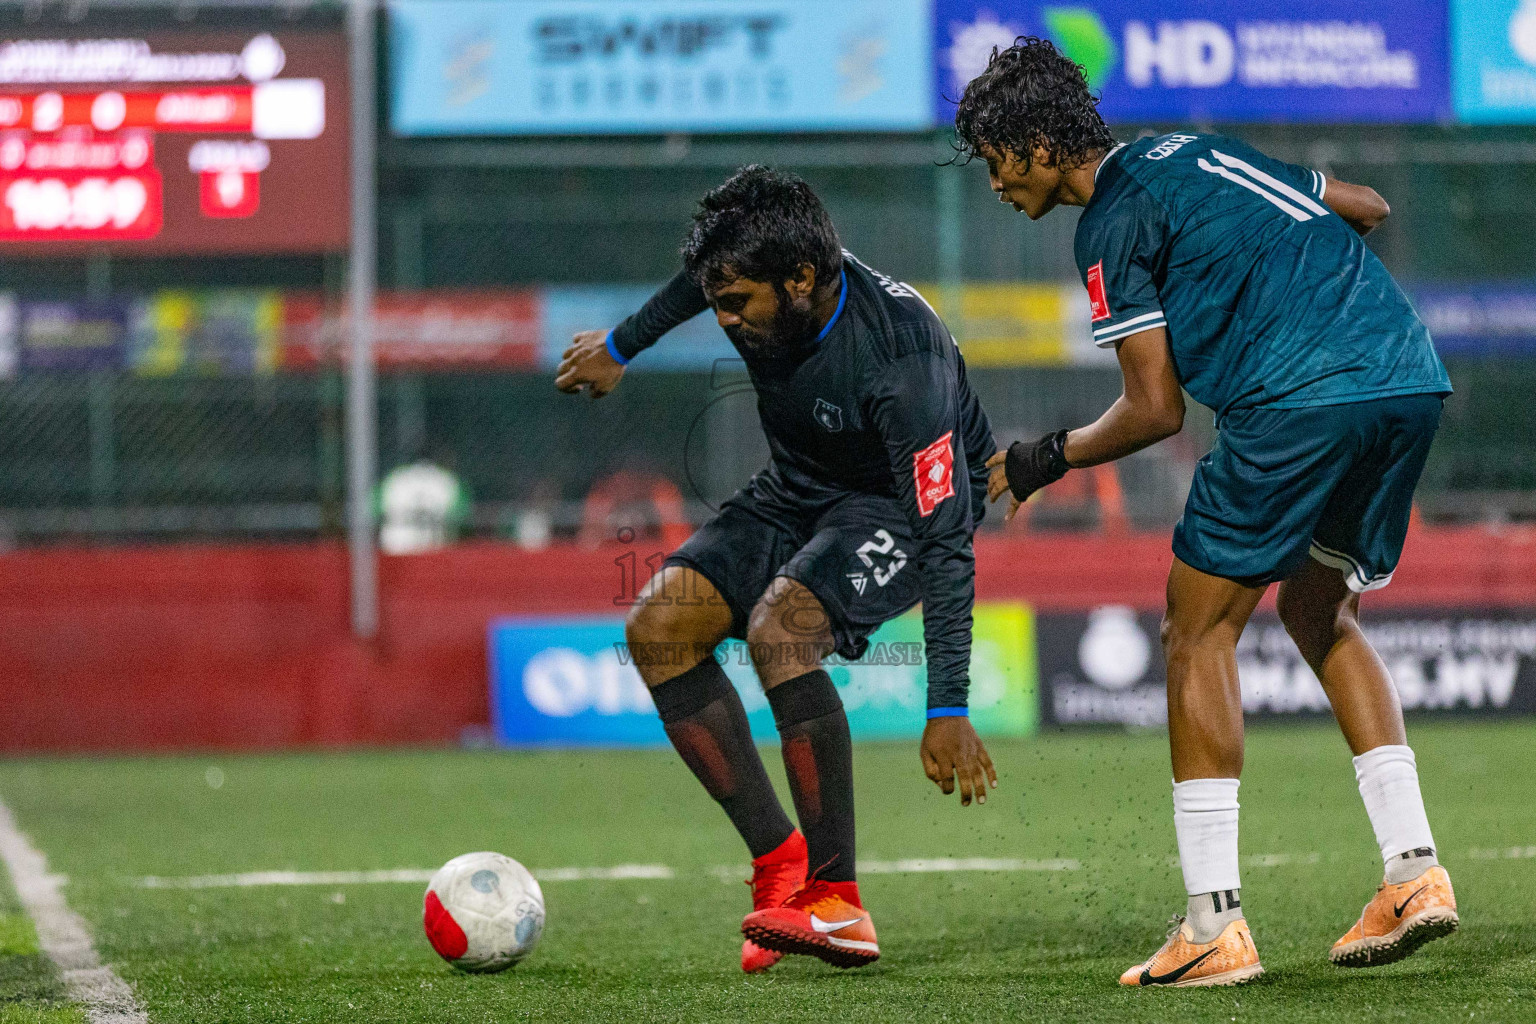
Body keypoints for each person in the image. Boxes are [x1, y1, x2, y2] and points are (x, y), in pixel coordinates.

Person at [954, 39, 1458, 988]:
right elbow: (1364, 206)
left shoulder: (1107, 224)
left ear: (1034, 144)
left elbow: (1155, 410)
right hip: (1405, 379)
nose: (991, 183)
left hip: (1297, 402)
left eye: (993, 159)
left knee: (1196, 630)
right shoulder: (1198, 151)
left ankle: (1213, 925)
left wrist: (1034, 460)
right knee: (1317, 609)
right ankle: (1413, 871)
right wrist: (1285, 279)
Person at [556, 166, 998, 973]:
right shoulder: (771, 277)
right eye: (717, 300)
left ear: (801, 280)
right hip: (797, 486)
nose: (723, 320)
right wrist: (622, 346)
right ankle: (779, 864)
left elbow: (946, 538)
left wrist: (949, 704)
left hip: (898, 508)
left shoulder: (902, 366)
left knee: (780, 631)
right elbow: (703, 282)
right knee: (658, 629)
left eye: (737, 305)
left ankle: (839, 903)